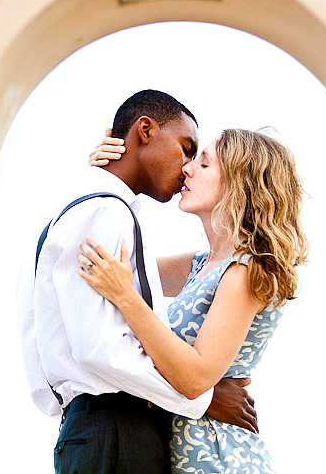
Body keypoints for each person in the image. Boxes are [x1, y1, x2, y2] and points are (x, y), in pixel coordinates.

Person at [15, 90, 258, 474]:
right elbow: (100, 348)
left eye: (201, 160)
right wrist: (204, 400)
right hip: (117, 429)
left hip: (102, 429)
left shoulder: (89, 211)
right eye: (186, 148)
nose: (187, 167)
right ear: (145, 130)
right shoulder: (107, 214)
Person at [79, 127, 308, 474]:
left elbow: (196, 376)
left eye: (203, 164)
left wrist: (126, 297)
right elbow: (113, 264)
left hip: (220, 459)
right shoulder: (202, 264)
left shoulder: (245, 271)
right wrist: (104, 177)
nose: (186, 169)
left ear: (237, 184)